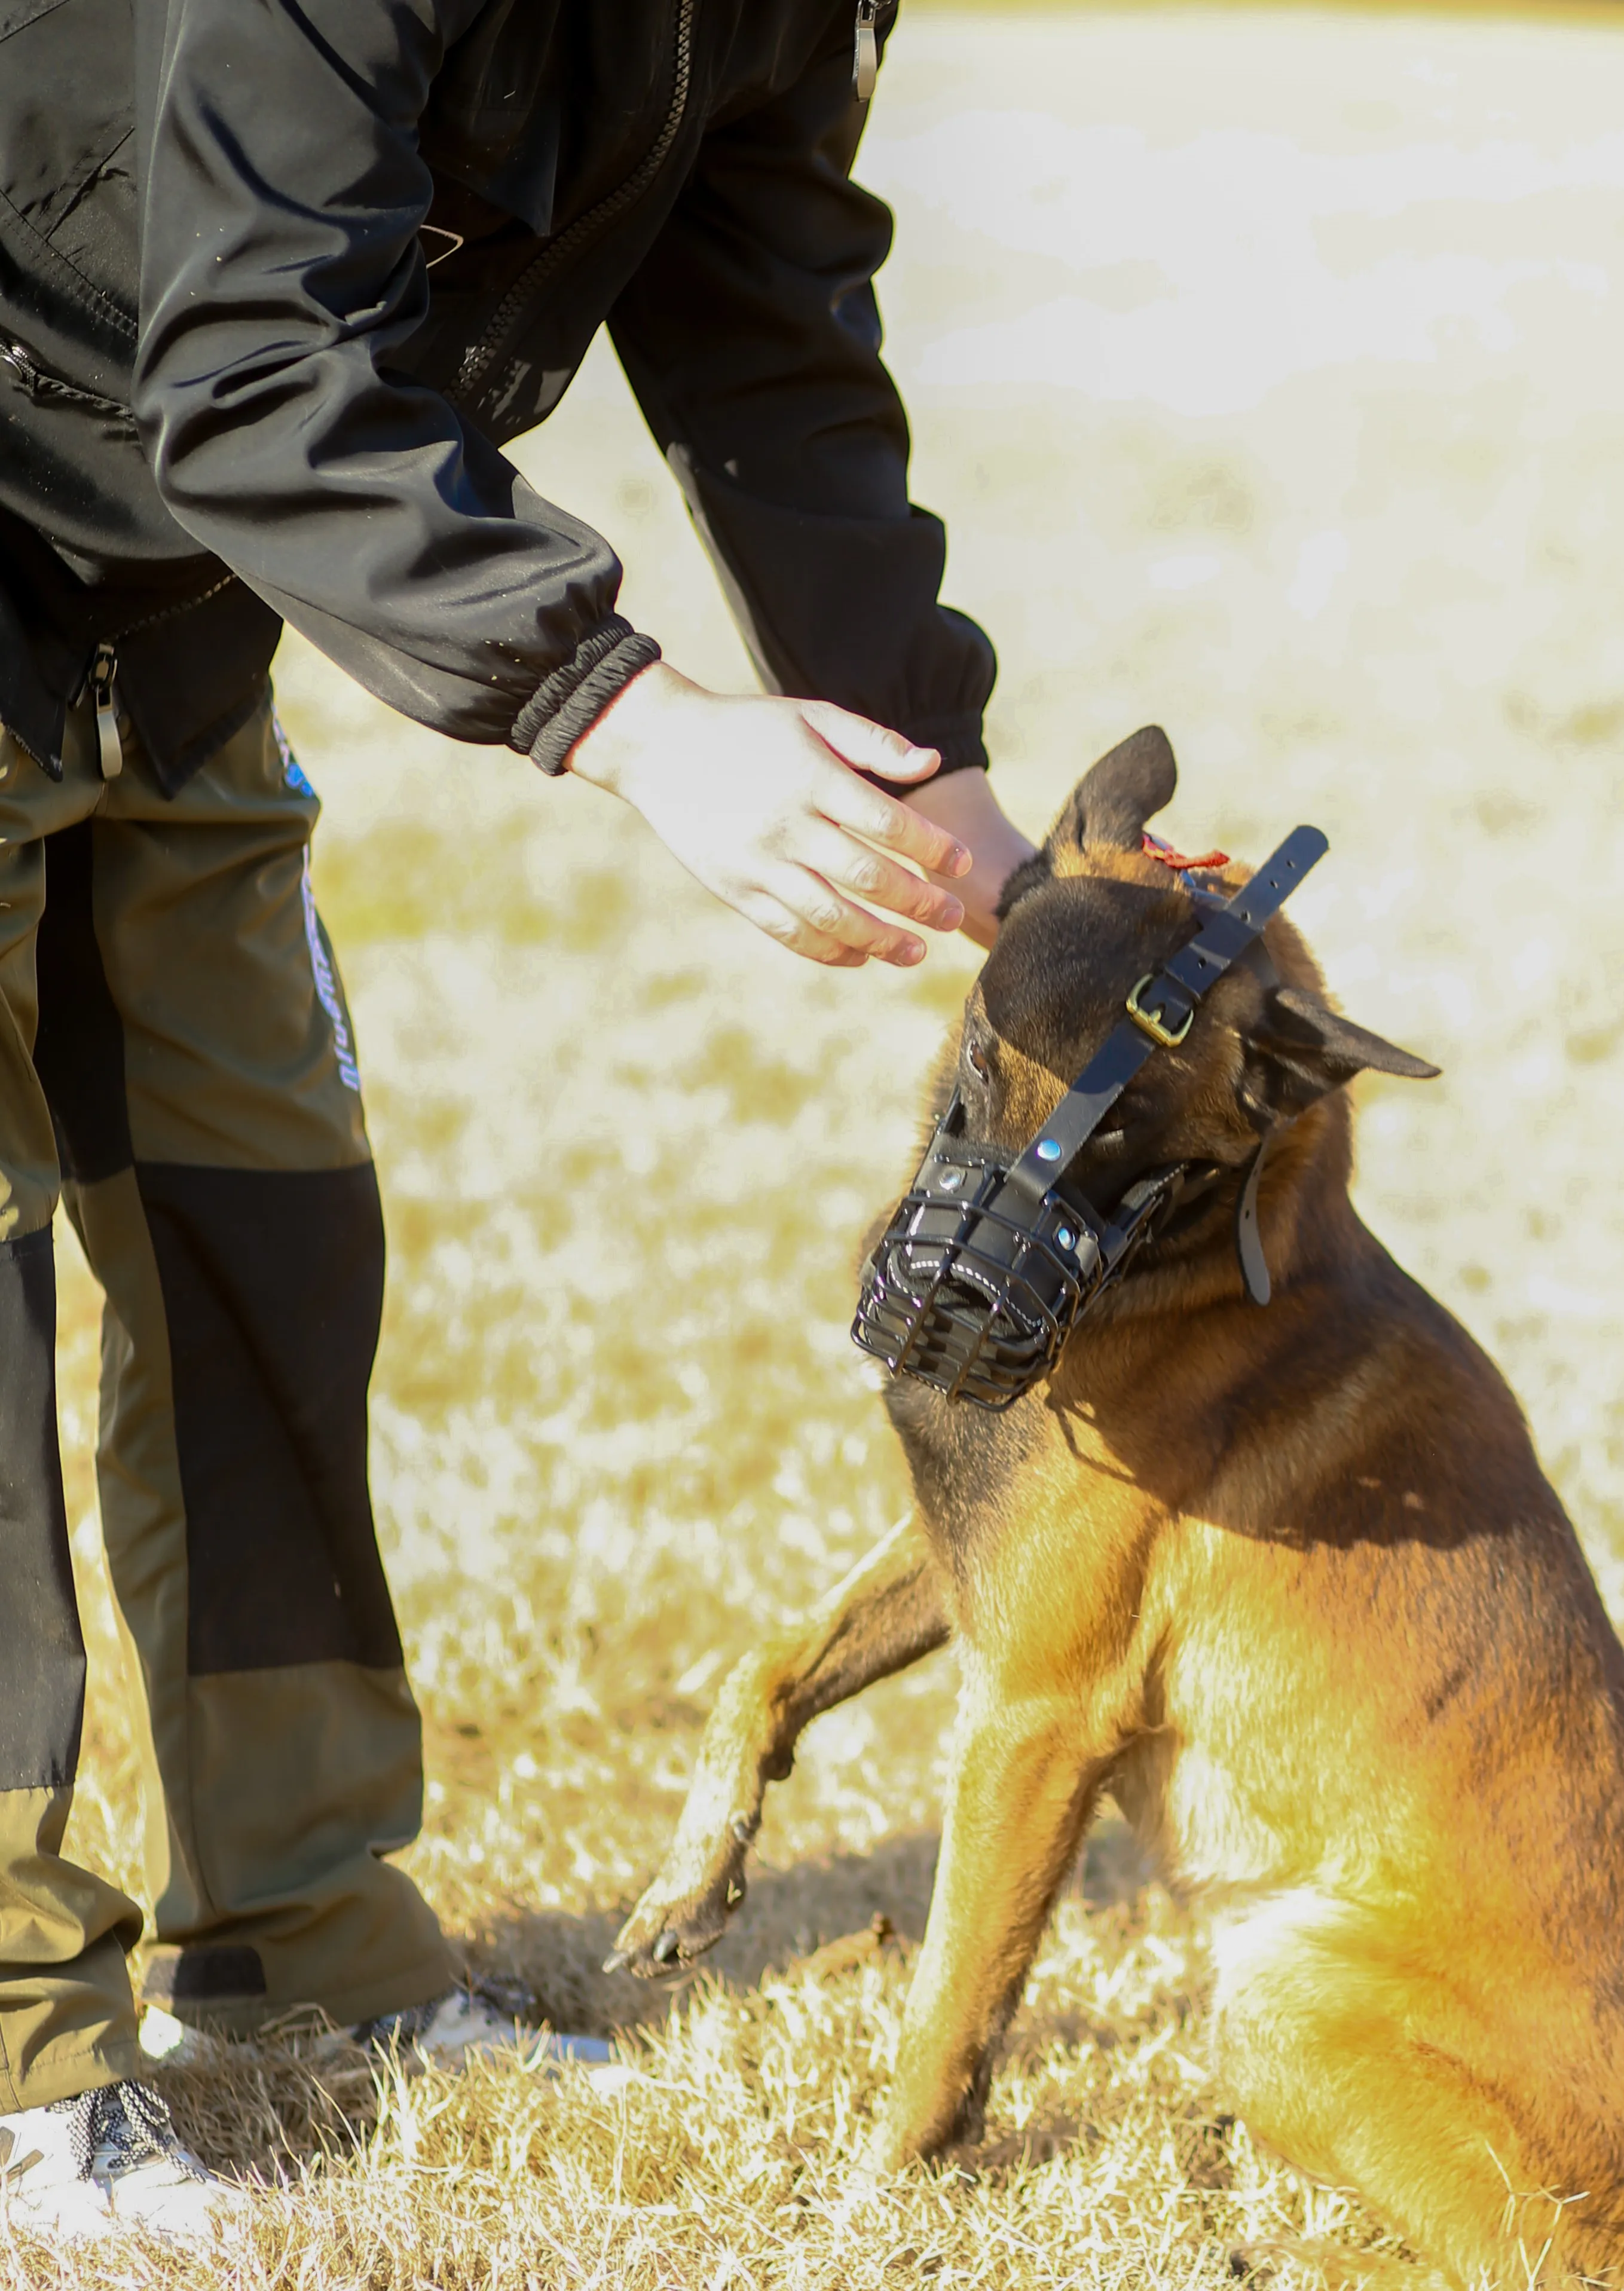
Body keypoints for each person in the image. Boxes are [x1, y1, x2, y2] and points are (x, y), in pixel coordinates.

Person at [0, 0, 1033, 2241]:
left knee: (264, 1232)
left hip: (162, 576)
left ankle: (303, 1964)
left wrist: (930, 760)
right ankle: (10, 2059)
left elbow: (758, 303)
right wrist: (631, 719)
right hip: (85, 438)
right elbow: (260, 362)